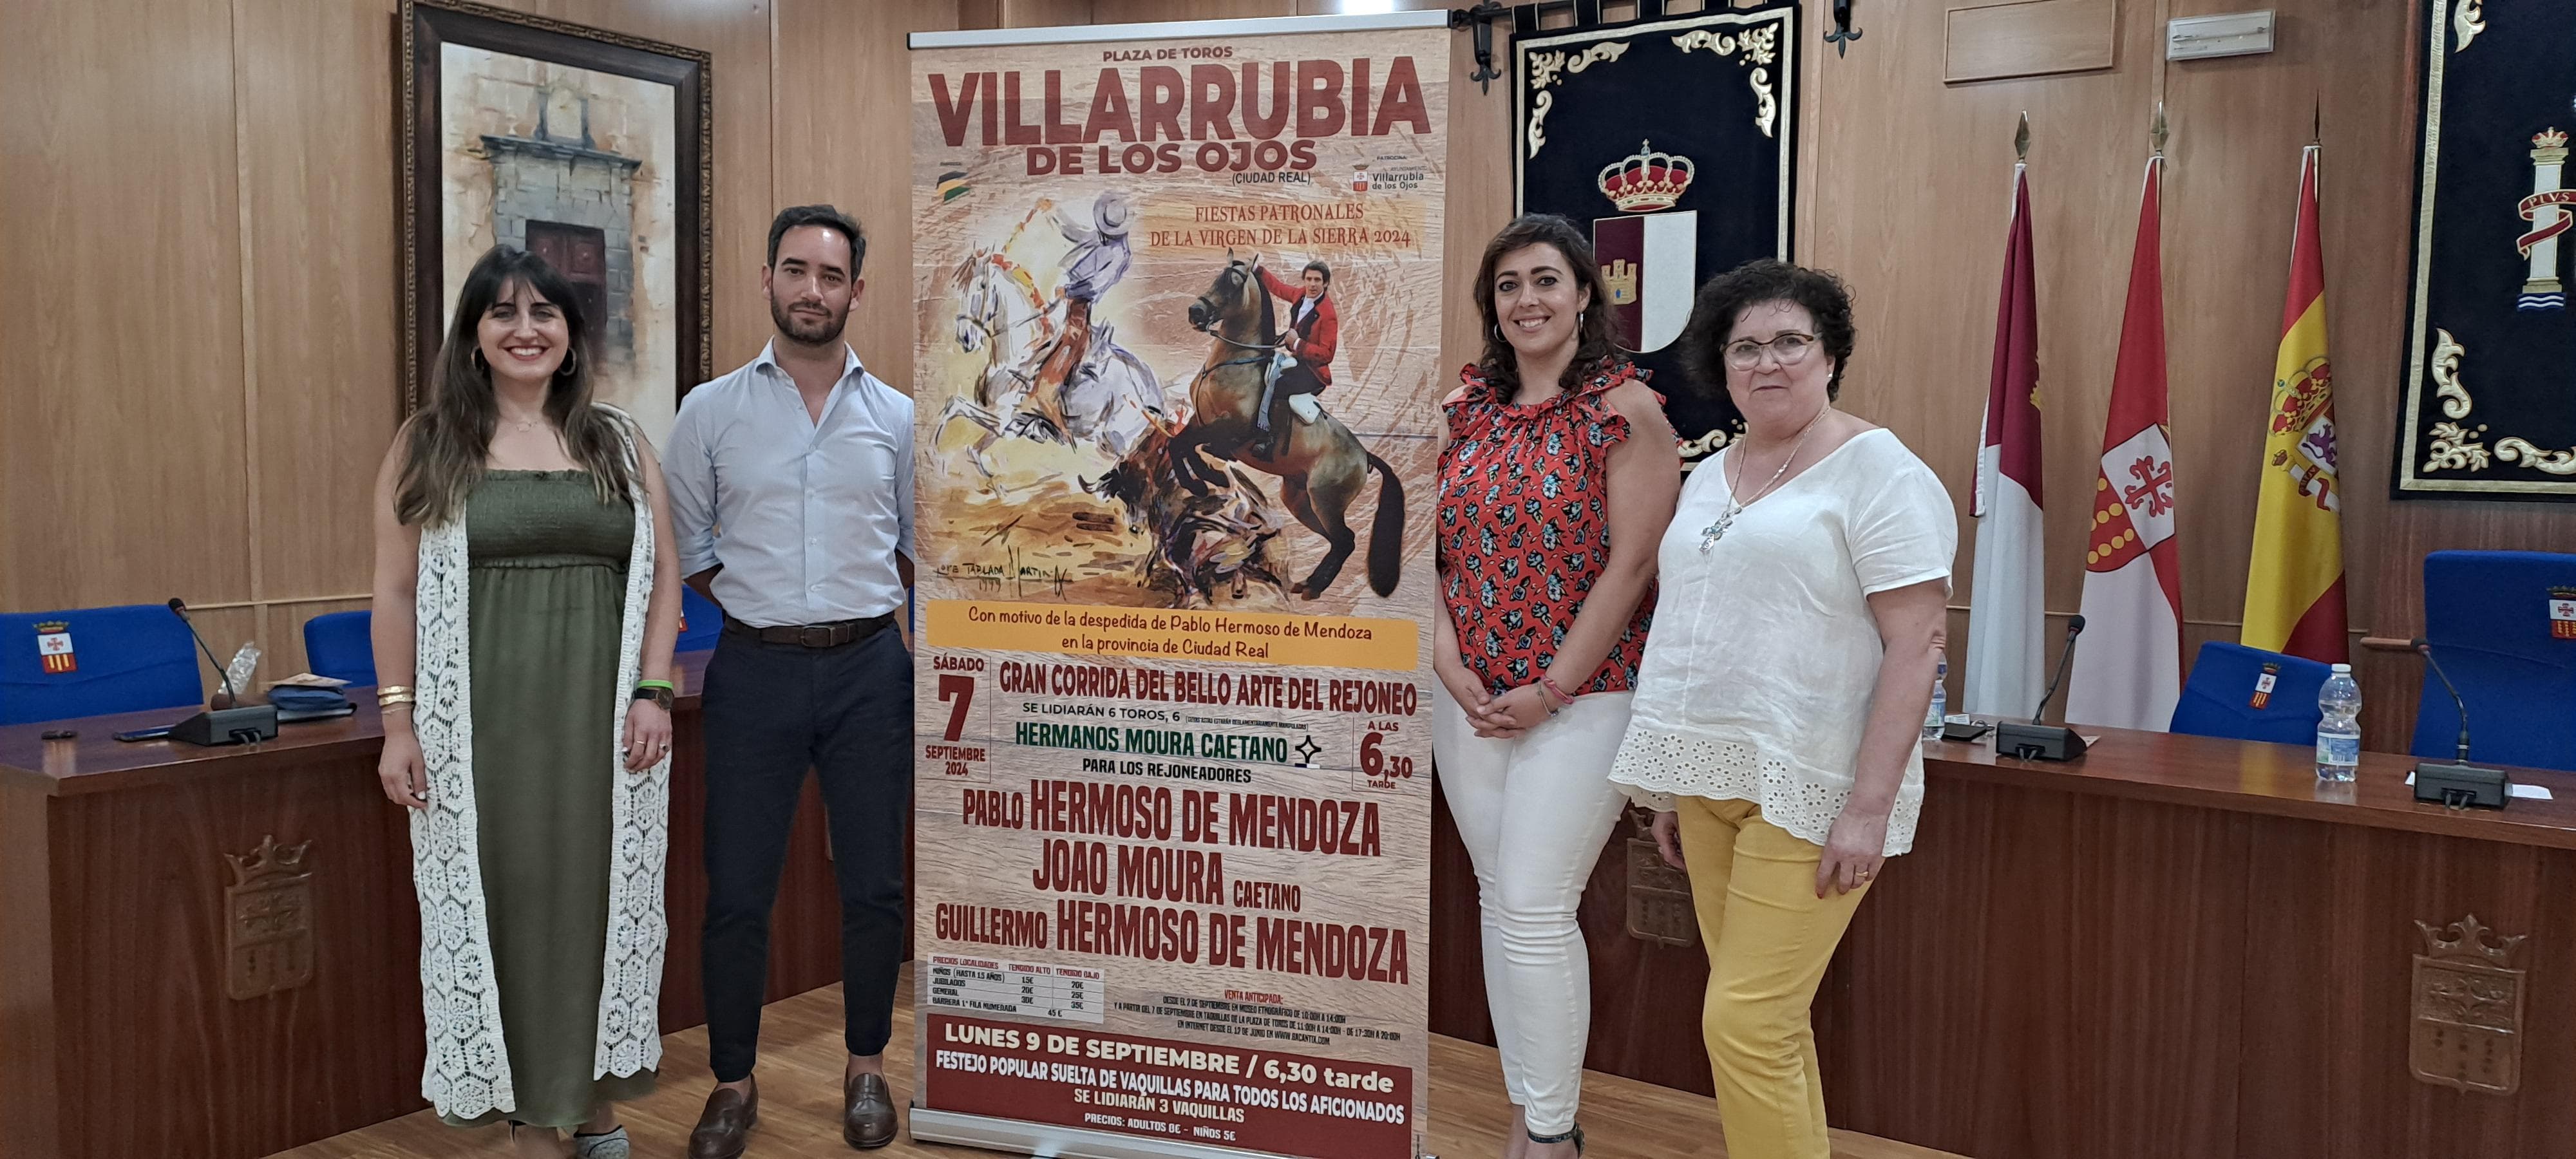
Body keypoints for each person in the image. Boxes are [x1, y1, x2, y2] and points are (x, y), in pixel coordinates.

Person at [1610, 260, 1953, 1159]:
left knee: (1745, 1025)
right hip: (1714, 782)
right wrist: (1676, 789)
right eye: (1747, 347)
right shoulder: (1709, 474)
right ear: (1722, 368)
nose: (1770, 362)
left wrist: (1869, 809)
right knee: (1766, 1025)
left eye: (1791, 342)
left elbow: (1917, 645)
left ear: (1830, 354)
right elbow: (1695, 631)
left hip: (1817, 785)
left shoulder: (1881, 471)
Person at [370, 245, 682, 1159]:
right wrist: (397, 722)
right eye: (503, 313)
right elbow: (391, 591)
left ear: (571, 337)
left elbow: (662, 577)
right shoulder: (428, 441)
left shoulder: (618, 439)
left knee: (593, 911)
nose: (525, 329)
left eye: (545, 313)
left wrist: (655, 691)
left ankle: (589, 1110)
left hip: (603, 727)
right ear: (473, 335)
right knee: (508, 910)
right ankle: (534, 1125)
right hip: (481, 732)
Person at [667, 204, 916, 1158]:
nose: (813, 290)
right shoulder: (710, 411)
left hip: (869, 670)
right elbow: (692, 547)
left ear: (858, 290)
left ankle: (865, 1068)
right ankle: (733, 1084)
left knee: (873, 886)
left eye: (831, 274)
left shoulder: (893, 417)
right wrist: (768, 603)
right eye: (796, 270)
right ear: (766, 281)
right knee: (736, 889)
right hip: (755, 670)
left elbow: (910, 551)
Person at [1433, 214, 1680, 1159]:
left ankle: (1551, 1132)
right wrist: (1448, 664)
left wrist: (1552, 688)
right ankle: (1531, 1099)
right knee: (1502, 898)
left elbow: (1631, 568)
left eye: (1546, 280)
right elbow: (1427, 552)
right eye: (1508, 286)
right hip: (1468, 698)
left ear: (1585, 294)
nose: (1527, 300)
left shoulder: (1627, 409)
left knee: (1536, 901)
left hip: (1586, 695)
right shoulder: (1463, 410)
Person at [1032, 190, 1135, 402]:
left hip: (1083, 301)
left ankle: (1049, 389)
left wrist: (1068, 292)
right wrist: (1054, 212)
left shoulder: (1120, 254)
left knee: (1073, 339)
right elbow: (1075, 232)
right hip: (1069, 289)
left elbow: (1094, 286)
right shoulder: (1102, 236)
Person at [1254, 258, 1339, 459]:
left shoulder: (1328, 315)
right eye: (1309, 279)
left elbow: (1327, 354)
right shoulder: (1301, 295)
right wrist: (1258, 269)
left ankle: (1269, 442)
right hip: (1298, 361)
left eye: (1317, 280)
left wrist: (1298, 343)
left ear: (1325, 283)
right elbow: (1279, 288)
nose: (1312, 284)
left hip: (1314, 373)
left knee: (1279, 387)